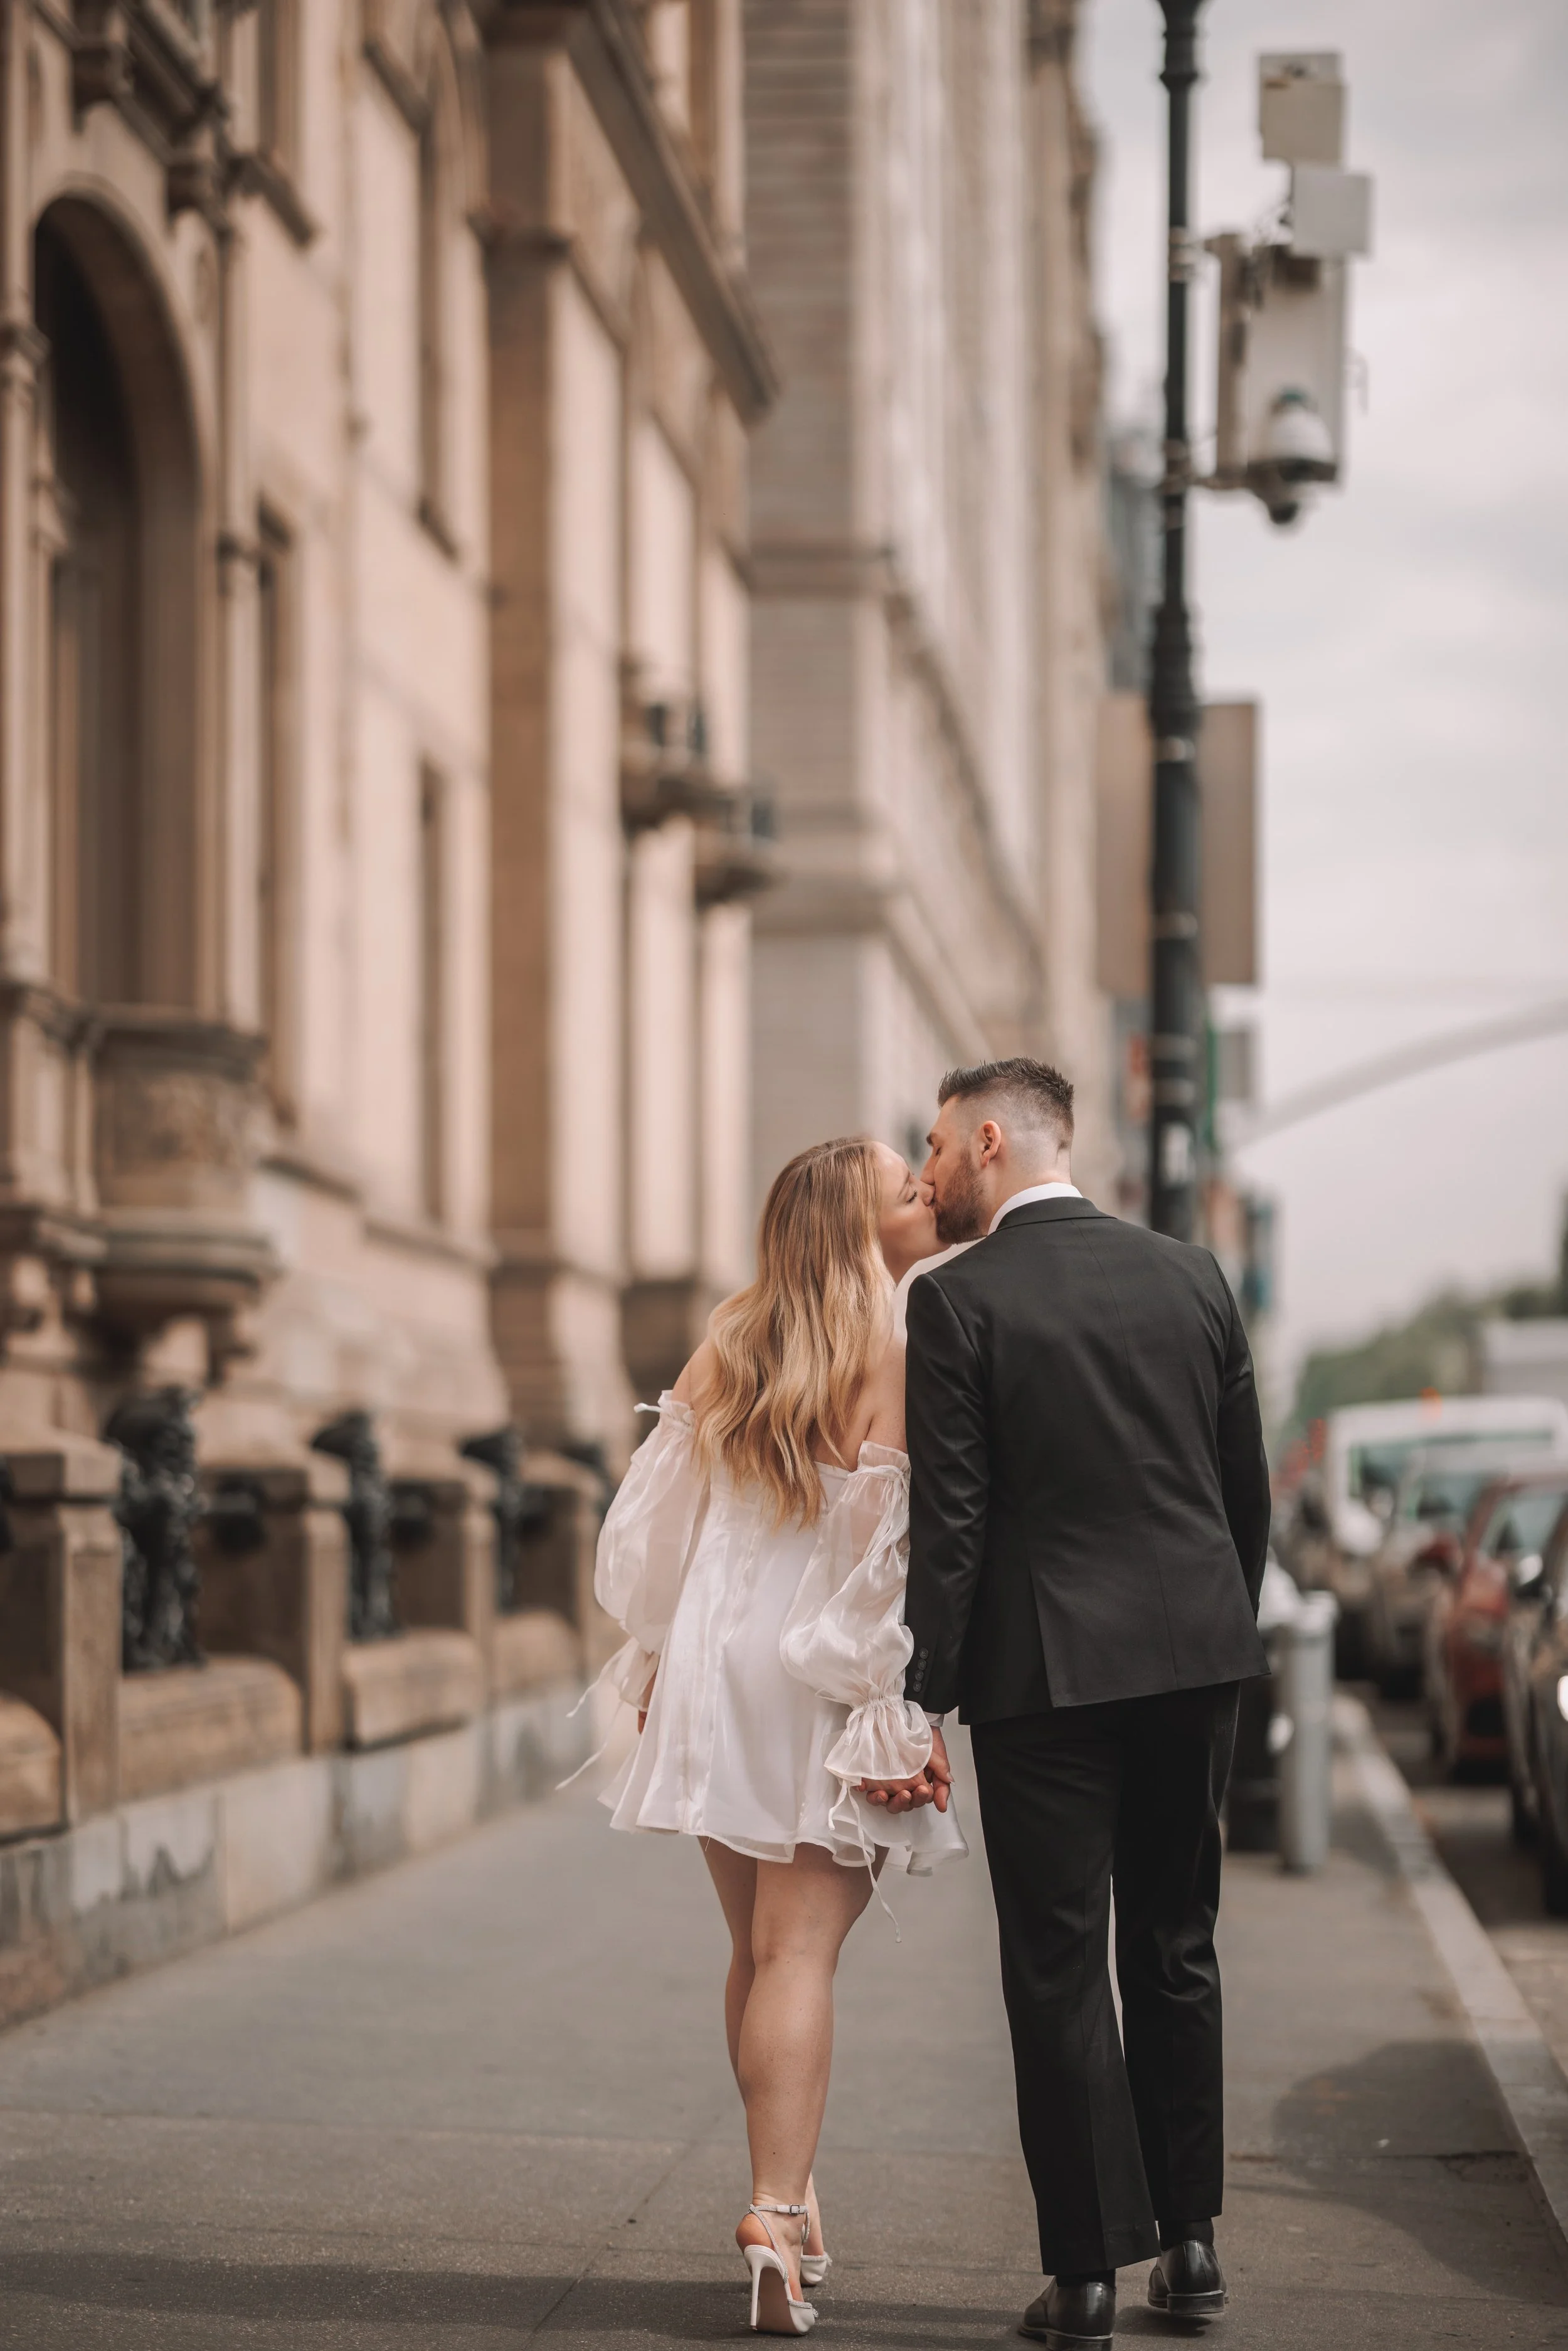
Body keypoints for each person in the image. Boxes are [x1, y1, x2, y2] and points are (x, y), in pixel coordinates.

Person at [865, 1056, 1271, 2350]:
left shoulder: (957, 1299)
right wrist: (1210, 1620)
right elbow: (1239, 1491)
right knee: (1176, 1938)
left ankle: (1087, 2273)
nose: (925, 1169)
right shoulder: (1191, 1276)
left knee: (1056, 1961)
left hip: (1043, 1676)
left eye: (935, 1143)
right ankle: (1194, 2245)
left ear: (990, 1139)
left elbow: (956, 1522)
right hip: (1193, 1655)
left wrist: (918, 1694)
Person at [590, 1136, 966, 2337]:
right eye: (901, 1181)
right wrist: (889, 1704)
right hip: (808, 1671)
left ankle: (792, 2193)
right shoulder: (890, 1350)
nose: (924, 1186)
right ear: (857, 1222)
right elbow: (879, 1560)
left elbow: (651, 1517)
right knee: (801, 1953)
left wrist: (652, 1650)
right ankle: (772, 2213)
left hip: (711, 1660)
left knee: (757, 1949)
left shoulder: (735, 1332)